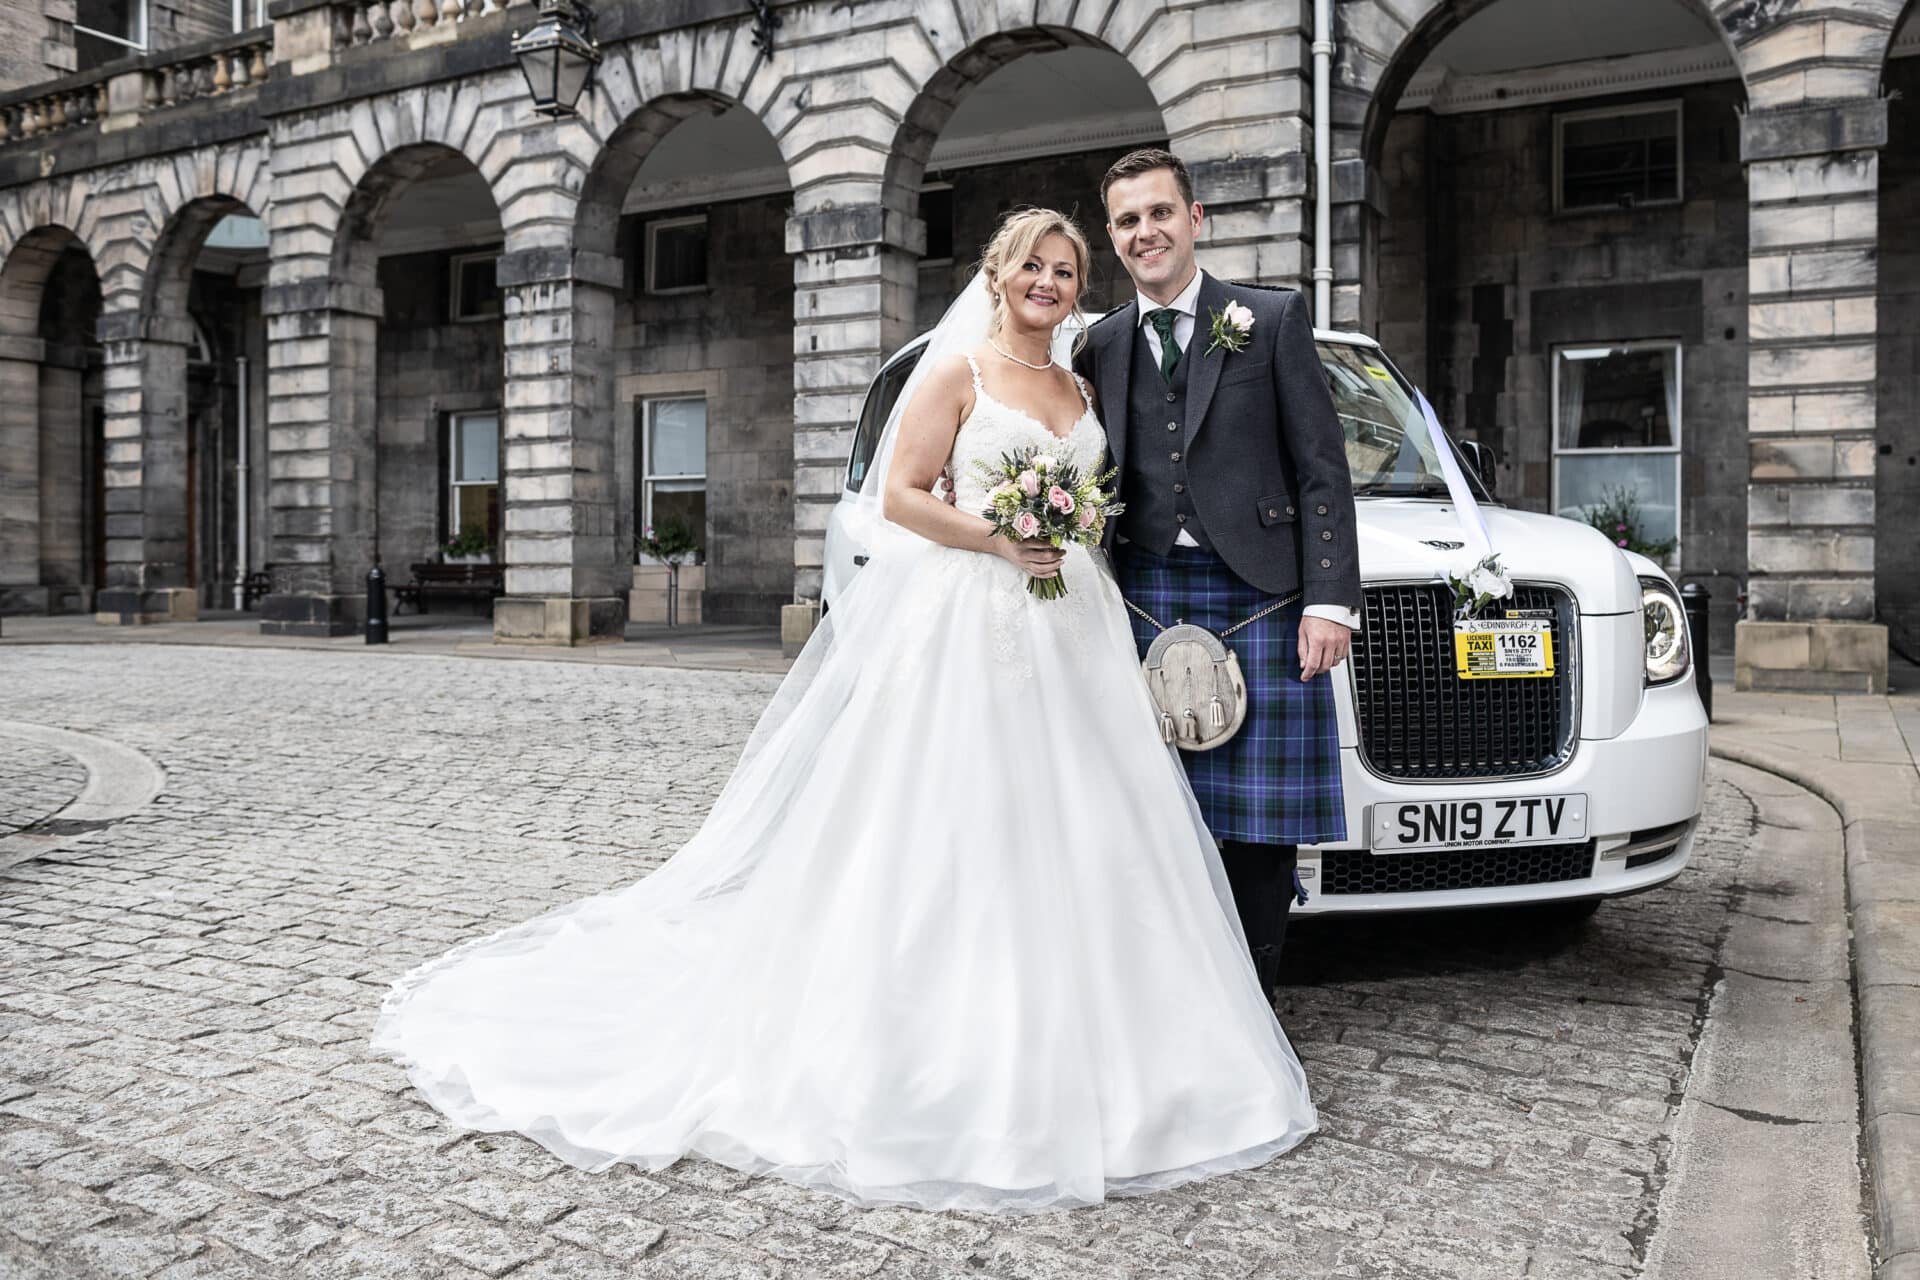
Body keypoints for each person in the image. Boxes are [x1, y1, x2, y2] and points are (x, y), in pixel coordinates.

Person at [371, 208, 1316, 1213]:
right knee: (952, 820)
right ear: (998, 274)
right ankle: (939, 1035)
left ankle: (1121, 1031)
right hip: (975, 615)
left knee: (1093, 821)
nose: (1048, 281)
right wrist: (996, 538)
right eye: (1033, 265)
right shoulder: (958, 370)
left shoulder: (1082, 385)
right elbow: (901, 495)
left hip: (1075, 625)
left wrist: (1070, 526)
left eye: (1065, 270)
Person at [1077, 149, 1362, 991]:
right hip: (1145, 596)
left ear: (1195, 219)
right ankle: (1176, 995)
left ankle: (1255, 1001)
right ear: (1113, 238)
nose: (1146, 232)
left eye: (1160, 213)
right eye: (1128, 220)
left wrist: (1330, 602)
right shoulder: (1100, 345)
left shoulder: (1269, 319)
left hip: (1265, 596)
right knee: (1158, 806)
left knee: (1261, 825)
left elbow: (1323, 470)